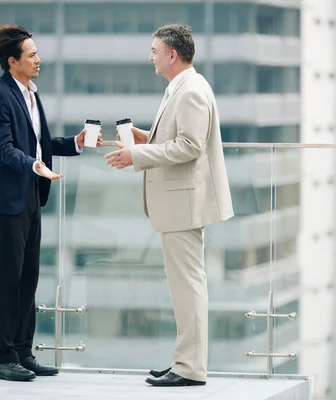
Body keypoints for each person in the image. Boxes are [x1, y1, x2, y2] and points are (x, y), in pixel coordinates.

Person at [105, 24, 234, 387]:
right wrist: (147, 139)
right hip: (179, 205)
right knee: (184, 287)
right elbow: (179, 139)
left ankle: (190, 368)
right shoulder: (183, 87)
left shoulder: (190, 90)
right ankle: (184, 362)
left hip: (184, 205)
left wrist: (136, 154)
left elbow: (190, 146)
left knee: (189, 287)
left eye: (154, 50)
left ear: (172, 55)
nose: (151, 56)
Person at [0, 25, 102, 381]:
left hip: (32, 194)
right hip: (6, 199)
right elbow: (4, 149)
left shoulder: (31, 94)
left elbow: (40, 143)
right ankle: (1, 356)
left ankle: (22, 351)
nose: (39, 60)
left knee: (28, 277)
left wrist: (76, 143)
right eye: (32, 55)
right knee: (7, 279)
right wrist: (34, 165)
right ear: (13, 61)